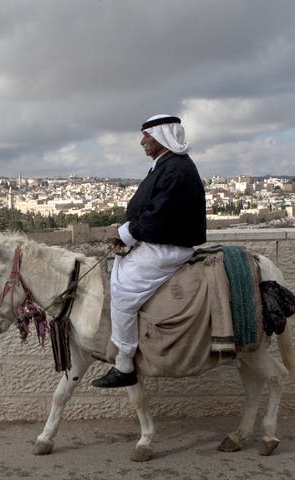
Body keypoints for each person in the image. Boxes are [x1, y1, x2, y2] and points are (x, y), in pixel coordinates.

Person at [92, 114, 207, 388]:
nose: (142, 141)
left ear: (162, 138)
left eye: (148, 136)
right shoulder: (166, 165)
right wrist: (127, 236)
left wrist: (124, 234)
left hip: (166, 248)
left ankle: (124, 363)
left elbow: (159, 214)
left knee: (122, 291)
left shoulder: (176, 169)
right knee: (118, 272)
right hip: (155, 241)